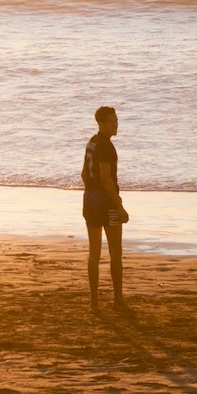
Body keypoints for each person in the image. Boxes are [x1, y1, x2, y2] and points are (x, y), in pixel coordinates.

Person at [82, 106, 129, 313]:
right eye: (111, 121)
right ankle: (117, 300)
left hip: (89, 199)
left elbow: (85, 173)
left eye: (116, 120)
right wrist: (119, 206)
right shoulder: (106, 147)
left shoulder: (91, 142)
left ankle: (94, 303)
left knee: (94, 253)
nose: (115, 124)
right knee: (115, 252)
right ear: (101, 123)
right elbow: (105, 178)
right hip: (105, 201)